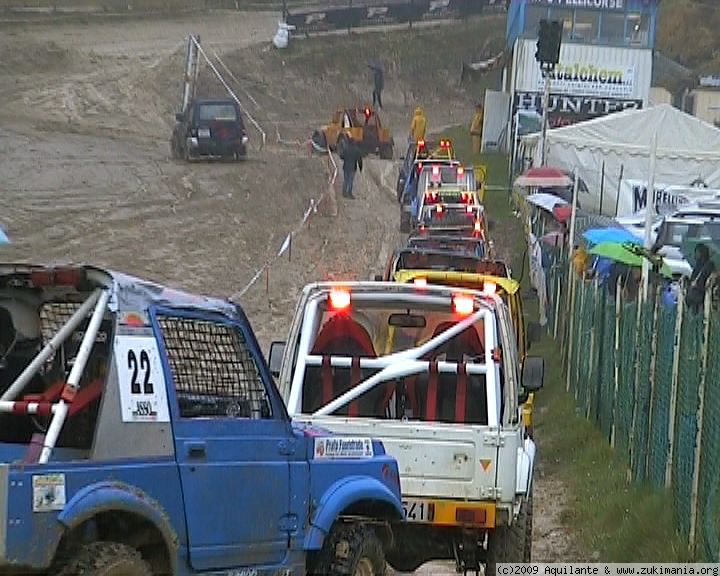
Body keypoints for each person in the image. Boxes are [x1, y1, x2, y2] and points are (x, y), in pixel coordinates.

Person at [687, 243, 716, 312]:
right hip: (695, 291)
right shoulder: (698, 265)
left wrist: (696, 285)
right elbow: (693, 277)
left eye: (697, 253)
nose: (695, 255)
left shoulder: (709, 265)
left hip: (702, 292)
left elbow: (705, 280)